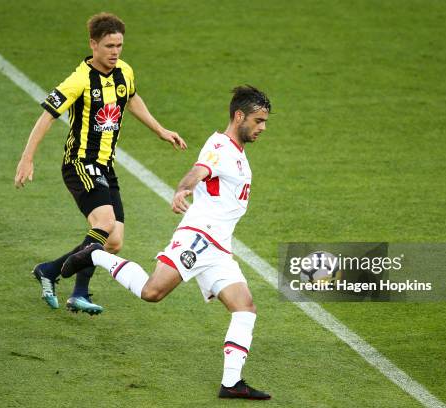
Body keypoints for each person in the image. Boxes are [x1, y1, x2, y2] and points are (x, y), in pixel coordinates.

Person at [62, 85, 271, 399]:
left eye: (264, 122)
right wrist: (182, 189)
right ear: (239, 116)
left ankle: (231, 383)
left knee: (245, 308)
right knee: (152, 292)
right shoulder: (220, 147)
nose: (262, 128)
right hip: (199, 238)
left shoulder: (238, 154)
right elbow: (198, 171)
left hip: (219, 249)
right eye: (257, 121)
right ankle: (95, 255)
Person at [14, 12, 186, 314]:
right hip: (80, 163)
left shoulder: (124, 71)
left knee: (114, 241)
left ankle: (58, 276)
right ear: (93, 44)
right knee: (105, 225)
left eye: (119, 45)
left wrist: (159, 130)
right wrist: (27, 158)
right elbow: (46, 117)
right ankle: (66, 281)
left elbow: (131, 97)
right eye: (109, 46)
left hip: (106, 166)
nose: (115, 52)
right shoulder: (79, 79)